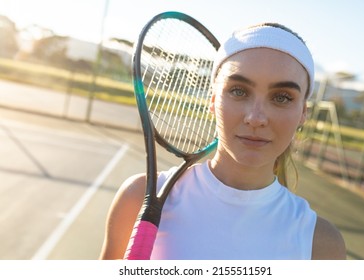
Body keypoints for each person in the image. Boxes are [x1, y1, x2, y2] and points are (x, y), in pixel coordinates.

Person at [100, 22, 346, 260]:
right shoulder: (138, 197)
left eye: (281, 97)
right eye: (239, 91)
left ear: (303, 112)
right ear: (213, 100)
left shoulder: (322, 244)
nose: (256, 118)